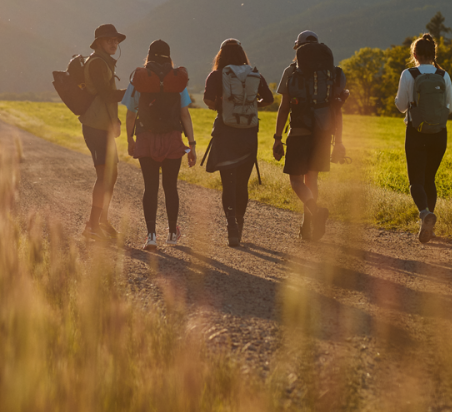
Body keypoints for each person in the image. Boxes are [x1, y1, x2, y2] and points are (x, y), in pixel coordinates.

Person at [272, 30, 347, 241]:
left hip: (298, 132)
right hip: (323, 132)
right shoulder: (330, 74)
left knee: (296, 181)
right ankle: (308, 227)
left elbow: (284, 107)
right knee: (311, 179)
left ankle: (316, 212)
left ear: (298, 48)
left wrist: (277, 138)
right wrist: (339, 142)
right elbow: (336, 109)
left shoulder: (291, 71)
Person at [123, 40, 197, 250]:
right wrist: (191, 144)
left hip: (146, 137)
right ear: (168, 56)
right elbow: (185, 115)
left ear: (149, 56)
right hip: (173, 138)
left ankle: (151, 236)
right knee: (170, 186)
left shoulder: (139, 78)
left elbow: (131, 115)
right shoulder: (176, 80)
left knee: (151, 187)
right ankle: (173, 233)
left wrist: (130, 139)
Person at [202, 39, 274, 247]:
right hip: (248, 134)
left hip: (226, 134)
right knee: (242, 183)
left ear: (221, 55)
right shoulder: (254, 74)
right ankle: (240, 222)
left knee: (228, 184)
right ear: (242, 54)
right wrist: (249, 107)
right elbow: (268, 99)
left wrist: (222, 107)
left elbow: (207, 101)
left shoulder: (217, 75)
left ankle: (231, 225)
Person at [394, 33, 452, 243]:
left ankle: (424, 214)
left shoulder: (408, 74)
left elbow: (401, 106)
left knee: (416, 182)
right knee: (430, 179)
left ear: (415, 54)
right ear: (433, 54)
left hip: (416, 132)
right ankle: (428, 228)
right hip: (439, 134)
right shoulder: (443, 75)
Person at [80, 24, 127, 240]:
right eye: (109, 40)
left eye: (116, 40)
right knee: (103, 176)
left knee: (111, 174)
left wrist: (115, 120)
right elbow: (108, 95)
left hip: (102, 126)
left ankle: (101, 221)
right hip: (95, 126)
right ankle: (92, 226)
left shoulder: (105, 62)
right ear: (98, 42)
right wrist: (132, 91)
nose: (114, 43)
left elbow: (107, 99)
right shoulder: (98, 63)